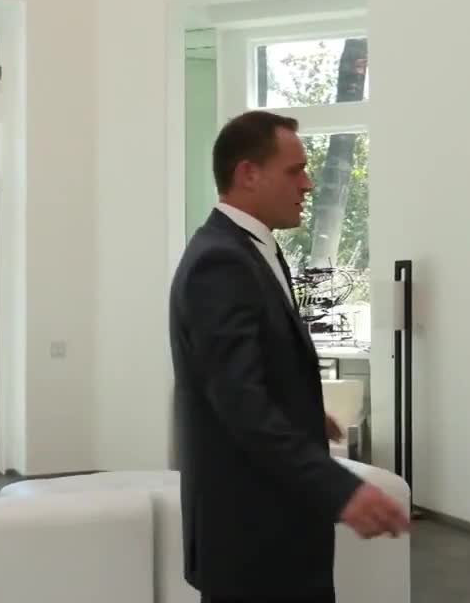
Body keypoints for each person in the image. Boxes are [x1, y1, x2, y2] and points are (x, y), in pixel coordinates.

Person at [169, 110, 410, 603]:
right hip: (252, 538)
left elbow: (249, 374)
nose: (308, 183)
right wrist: (343, 489)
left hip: (272, 528)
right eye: (294, 170)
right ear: (248, 173)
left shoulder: (251, 250)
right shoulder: (220, 262)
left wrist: (302, 412)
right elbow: (240, 404)